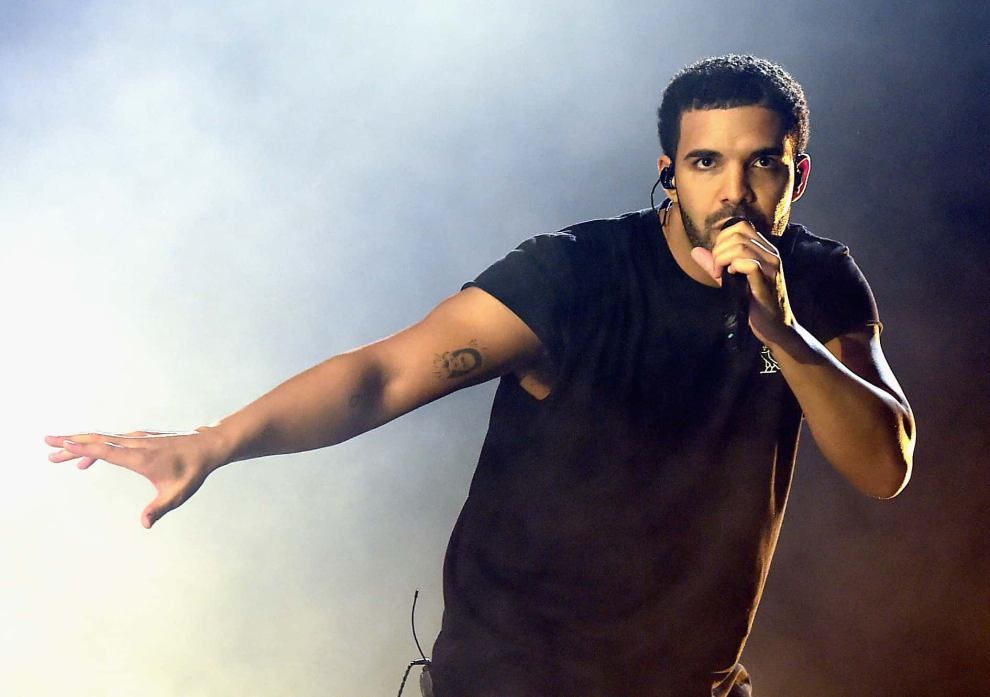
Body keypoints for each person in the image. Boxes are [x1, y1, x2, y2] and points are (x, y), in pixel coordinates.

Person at [46, 55, 915, 697]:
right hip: (510, 680)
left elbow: (885, 466)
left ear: (796, 175)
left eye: (760, 162)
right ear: (668, 174)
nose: (732, 192)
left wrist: (784, 332)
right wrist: (214, 443)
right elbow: (384, 374)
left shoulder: (819, 282)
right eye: (704, 162)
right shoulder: (573, 273)